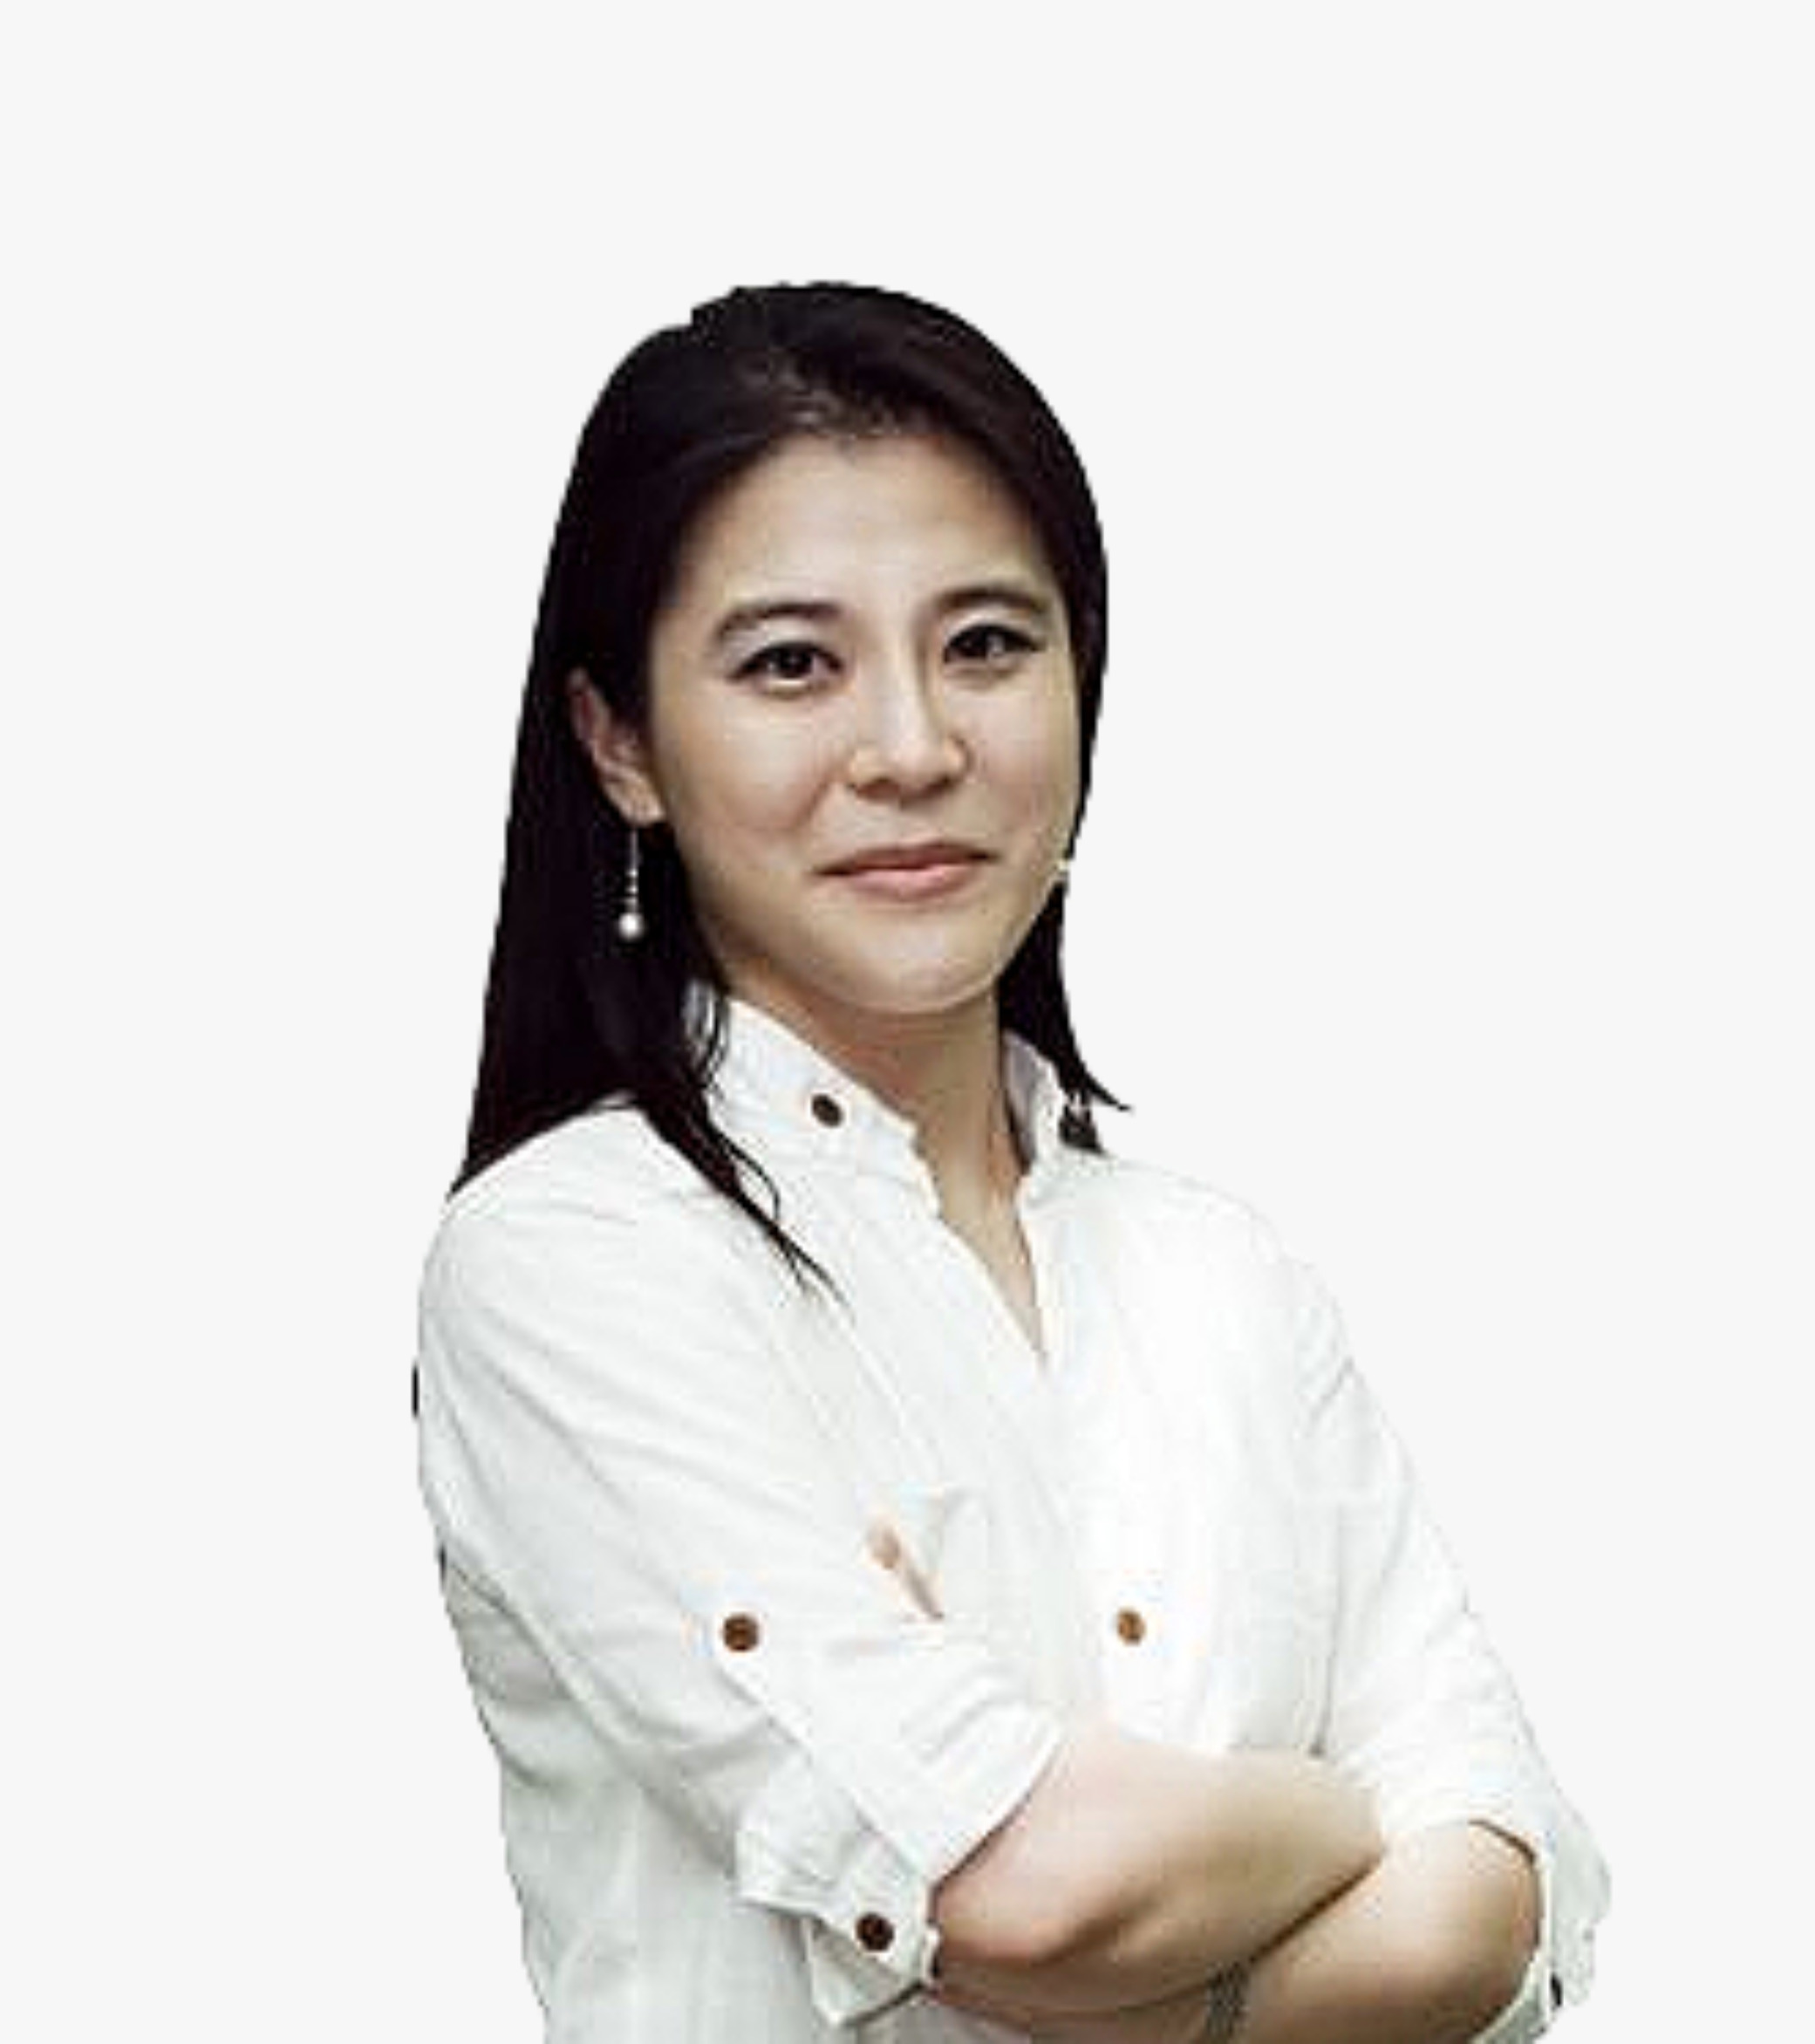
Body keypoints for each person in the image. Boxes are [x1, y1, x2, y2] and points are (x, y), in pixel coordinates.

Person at [413, 282, 1608, 2043]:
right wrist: (1338, 1822)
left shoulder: (1226, 1283)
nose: (913, 748)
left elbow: (1488, 1919)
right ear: (621, 742)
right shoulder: (576, 1262)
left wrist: (1131, 1951)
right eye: (790, 664)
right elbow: (1036, 1893)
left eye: (985, 643)